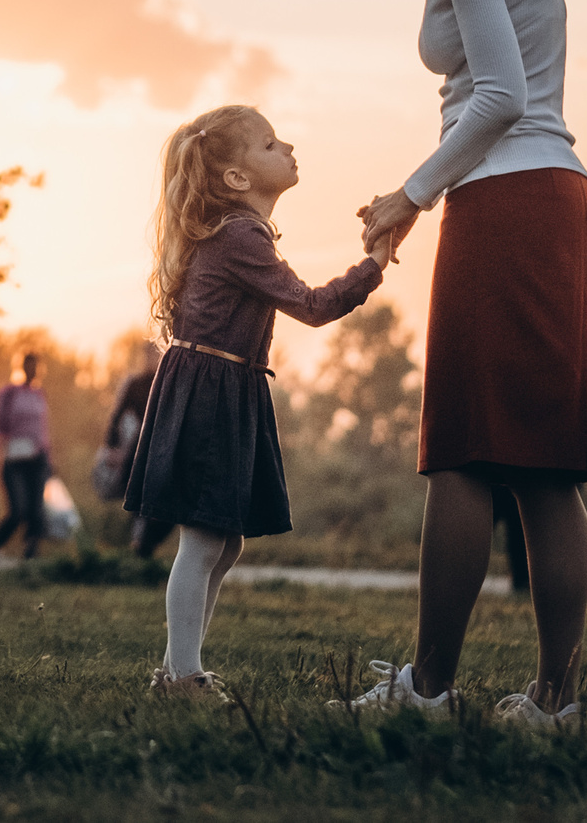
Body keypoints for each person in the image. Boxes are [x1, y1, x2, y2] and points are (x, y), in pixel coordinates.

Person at [312, 0, 587, 732]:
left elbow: (502, 96)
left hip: (510, 198)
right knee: (543, 467)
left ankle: (429, 692)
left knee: (463, 455)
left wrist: (412, 193)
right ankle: (552, 701)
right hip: (547, 194)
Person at [127, 105, 395, 696]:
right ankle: (181, 676)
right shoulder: (240, 235)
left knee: (227, 540)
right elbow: (314, 305)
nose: (289, 146)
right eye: (271, 144)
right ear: (237, 179)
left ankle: (179, 668)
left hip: (231, 386)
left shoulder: (237, 234)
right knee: (203, 539)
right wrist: (374, 263)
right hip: (212, 390)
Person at [100, 341, 173, 559]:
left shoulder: (167, 381)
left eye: (155, 355)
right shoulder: (135, 384)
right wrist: (111, 447)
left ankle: (145, 545)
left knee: (165, 501)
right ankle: (140, 549)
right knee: (139, 500)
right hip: (139, 448)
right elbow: (117, 416)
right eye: (148, 355)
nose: (151, 359)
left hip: (164, 447)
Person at [0, 352, 54, 560]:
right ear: (20, 368)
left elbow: (44, 431)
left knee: (36, 511)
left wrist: (49, 459)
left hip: (37, 459)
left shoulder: (40, 395)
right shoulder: (8, 394)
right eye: (28, 366)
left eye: (35, 367)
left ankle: (31, 556)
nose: (32, 371)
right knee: (17, 510)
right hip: (13, 460)